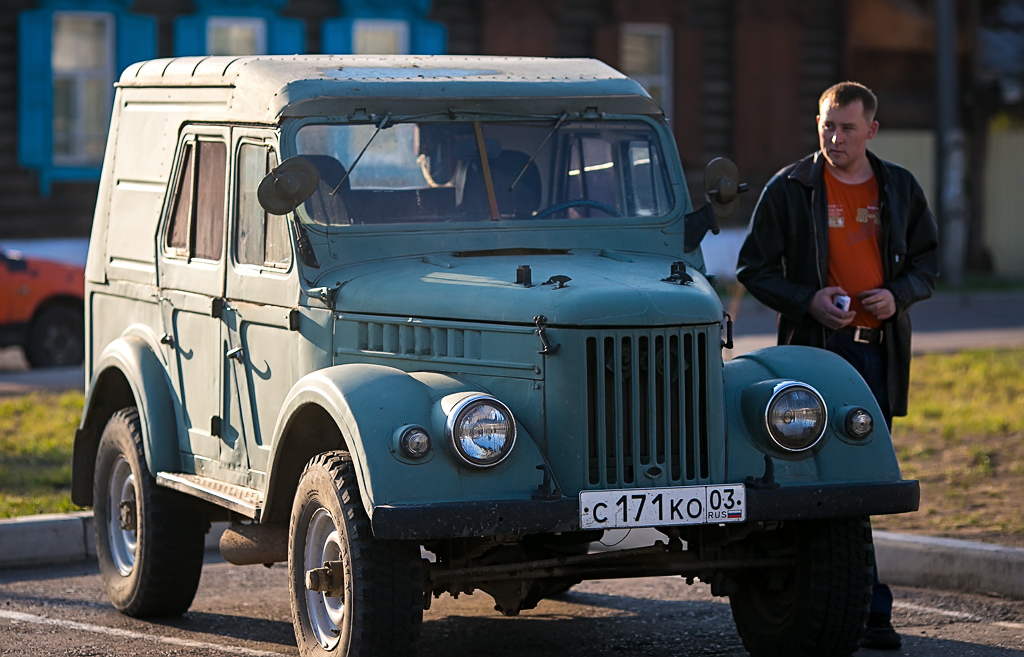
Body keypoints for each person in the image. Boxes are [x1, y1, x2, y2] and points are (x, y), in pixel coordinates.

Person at [735, 81, 940, 650]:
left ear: (872, 130)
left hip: (877, 351)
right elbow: (754, 268)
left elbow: (928, 262)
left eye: (847, 127)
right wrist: (809, 299)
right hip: (814, 354)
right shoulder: (791, 187)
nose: (834, 137)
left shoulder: (898, 187)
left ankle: (864, 606)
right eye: (826, 125)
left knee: (863, 481)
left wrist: (898, 294)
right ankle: (862, 608)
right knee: (817, 480)